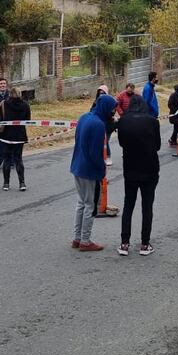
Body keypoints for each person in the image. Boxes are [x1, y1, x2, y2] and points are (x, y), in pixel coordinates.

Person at [70, 94, 116, 252]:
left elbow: (78, 140)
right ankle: (85, 240)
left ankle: (77, 238)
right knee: (90, 205)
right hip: (89, 170)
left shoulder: (84, 117)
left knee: (81, 203)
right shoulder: (98, 125)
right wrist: (101, 170)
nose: (113, 113)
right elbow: (95, 152)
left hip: (77, 165)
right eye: (112, 110)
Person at [116, 95, 161, 256]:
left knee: (128, 205)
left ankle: (124, 243)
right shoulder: (152, 121)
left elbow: (121, 143)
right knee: (147, 206)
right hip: (149, 169)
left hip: (130, 169)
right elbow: (157, 146)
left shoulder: (123, 121)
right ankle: (144, 244)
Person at [0, 87, 31, 191]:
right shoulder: (25, 105)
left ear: (10, 94)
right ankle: (22, 183)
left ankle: (6, 183)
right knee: (18, 159)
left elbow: (0, 118)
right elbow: (28, 120)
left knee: (7, 159)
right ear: (20, 94)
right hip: (20, 135)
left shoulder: (5, 104)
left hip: (6, 135)